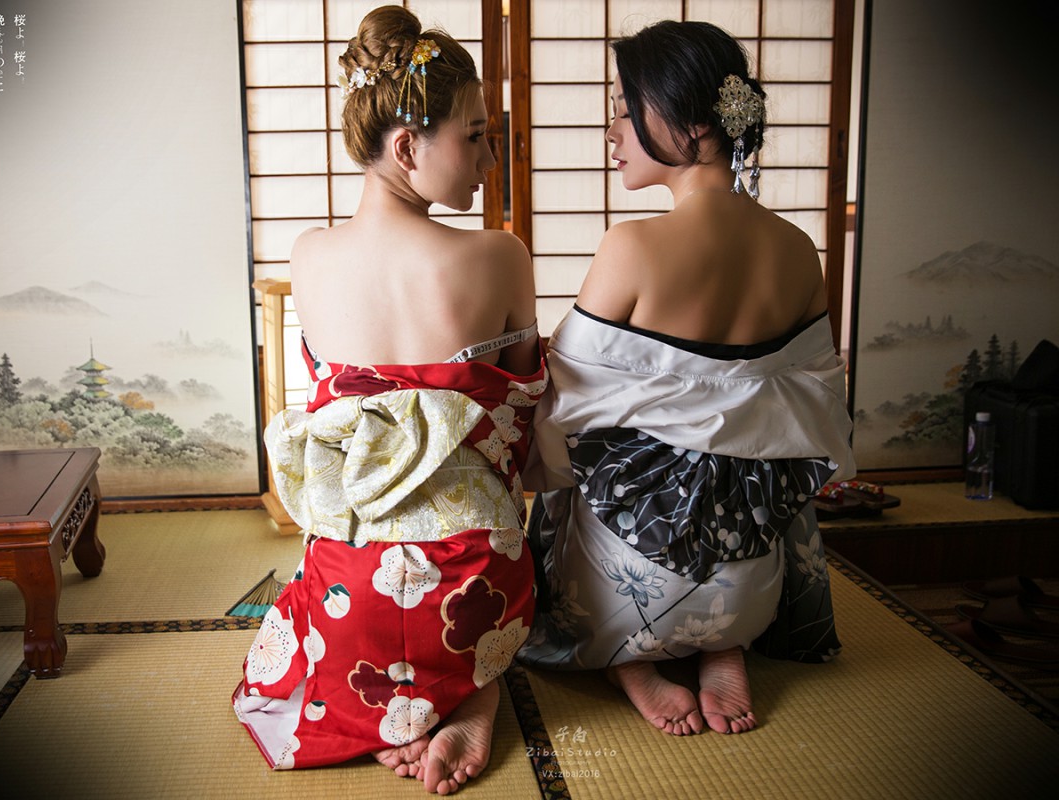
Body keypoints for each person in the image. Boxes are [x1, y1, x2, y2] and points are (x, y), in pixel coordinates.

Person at [232, 6, 544, 795]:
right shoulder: (500, 256)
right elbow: (521, 417)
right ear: (407, 148)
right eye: (476, 136)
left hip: (353, 591)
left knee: (326, 600)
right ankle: (472, 690)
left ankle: (388, 708)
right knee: (511, 549)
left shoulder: (309, 254)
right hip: (473, 584)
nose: (490, 157)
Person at [515, 20, 855, 737]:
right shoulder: (799, 250)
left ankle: (628, 658)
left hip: (638, 575)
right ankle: (724, 644)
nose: (612, 130)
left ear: (695, 123)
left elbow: (561, 402)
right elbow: (818, 403)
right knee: (750, 464)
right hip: (748, 562)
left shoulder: (632, 247)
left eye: (626, 109)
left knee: (564, 468)